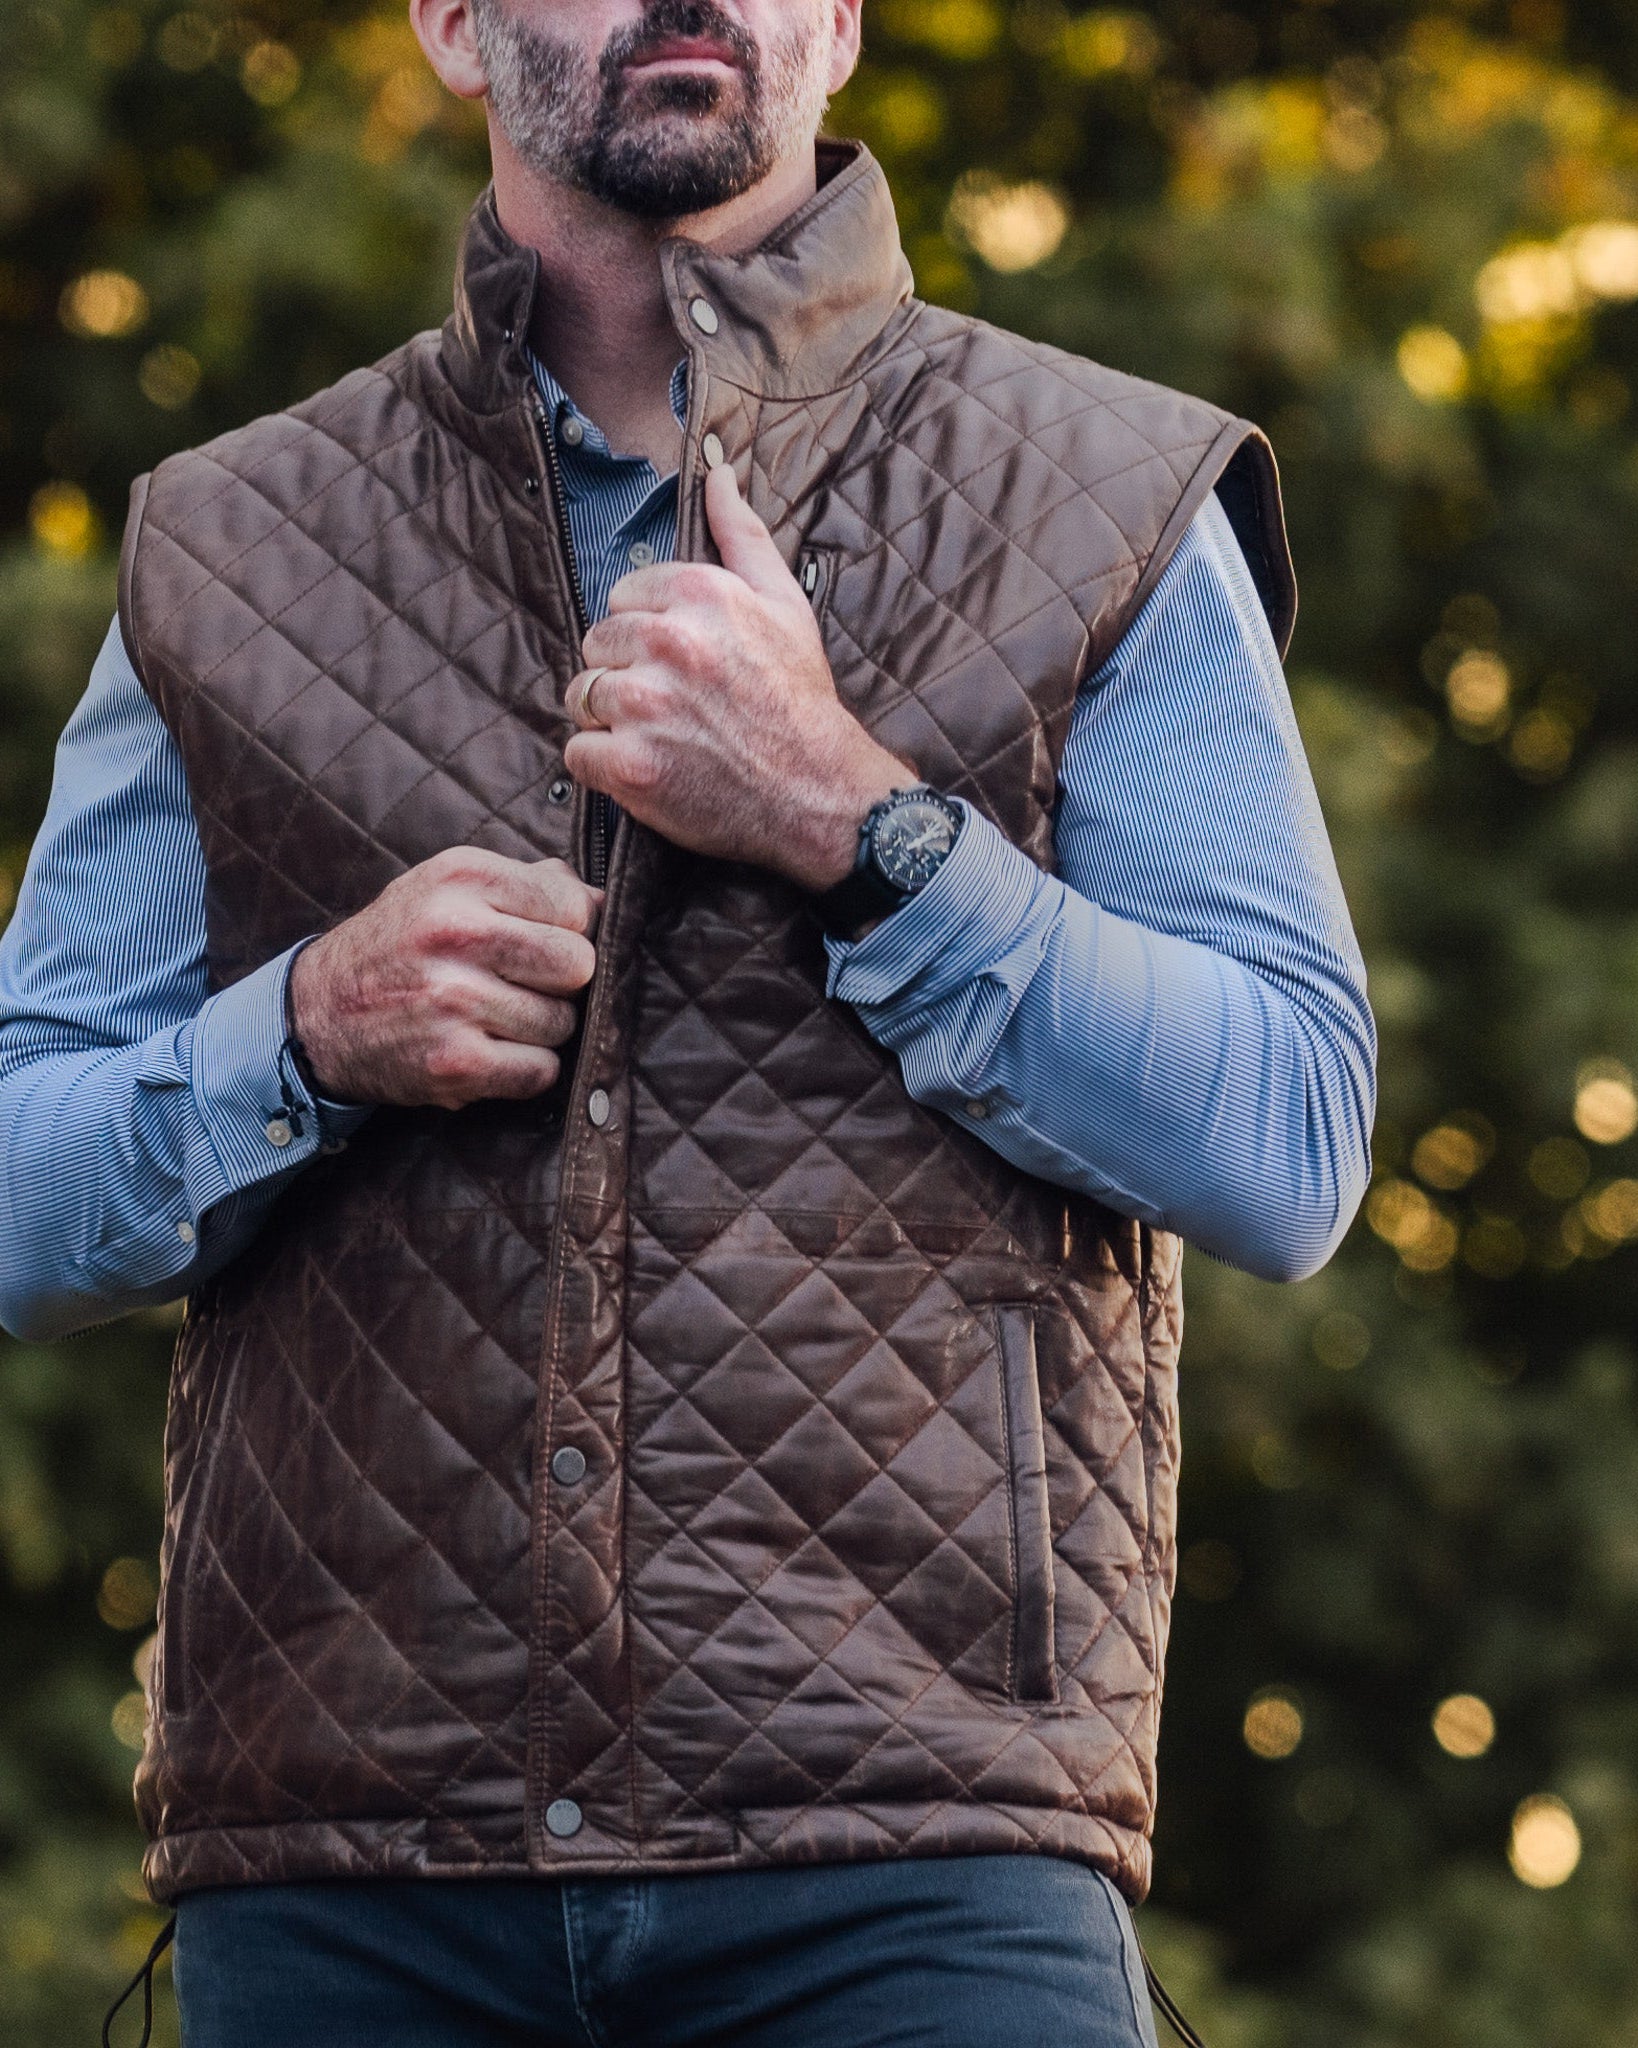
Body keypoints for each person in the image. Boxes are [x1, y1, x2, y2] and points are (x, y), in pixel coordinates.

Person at [0, 0, 1375, 2039]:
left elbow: (1289, 1142)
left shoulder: (1109, 495)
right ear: (454, 27)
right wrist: (297, 1031)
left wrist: (854, 819)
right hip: (346, 1881)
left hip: (919, 1861)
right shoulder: (230, 539)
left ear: (837, 22)